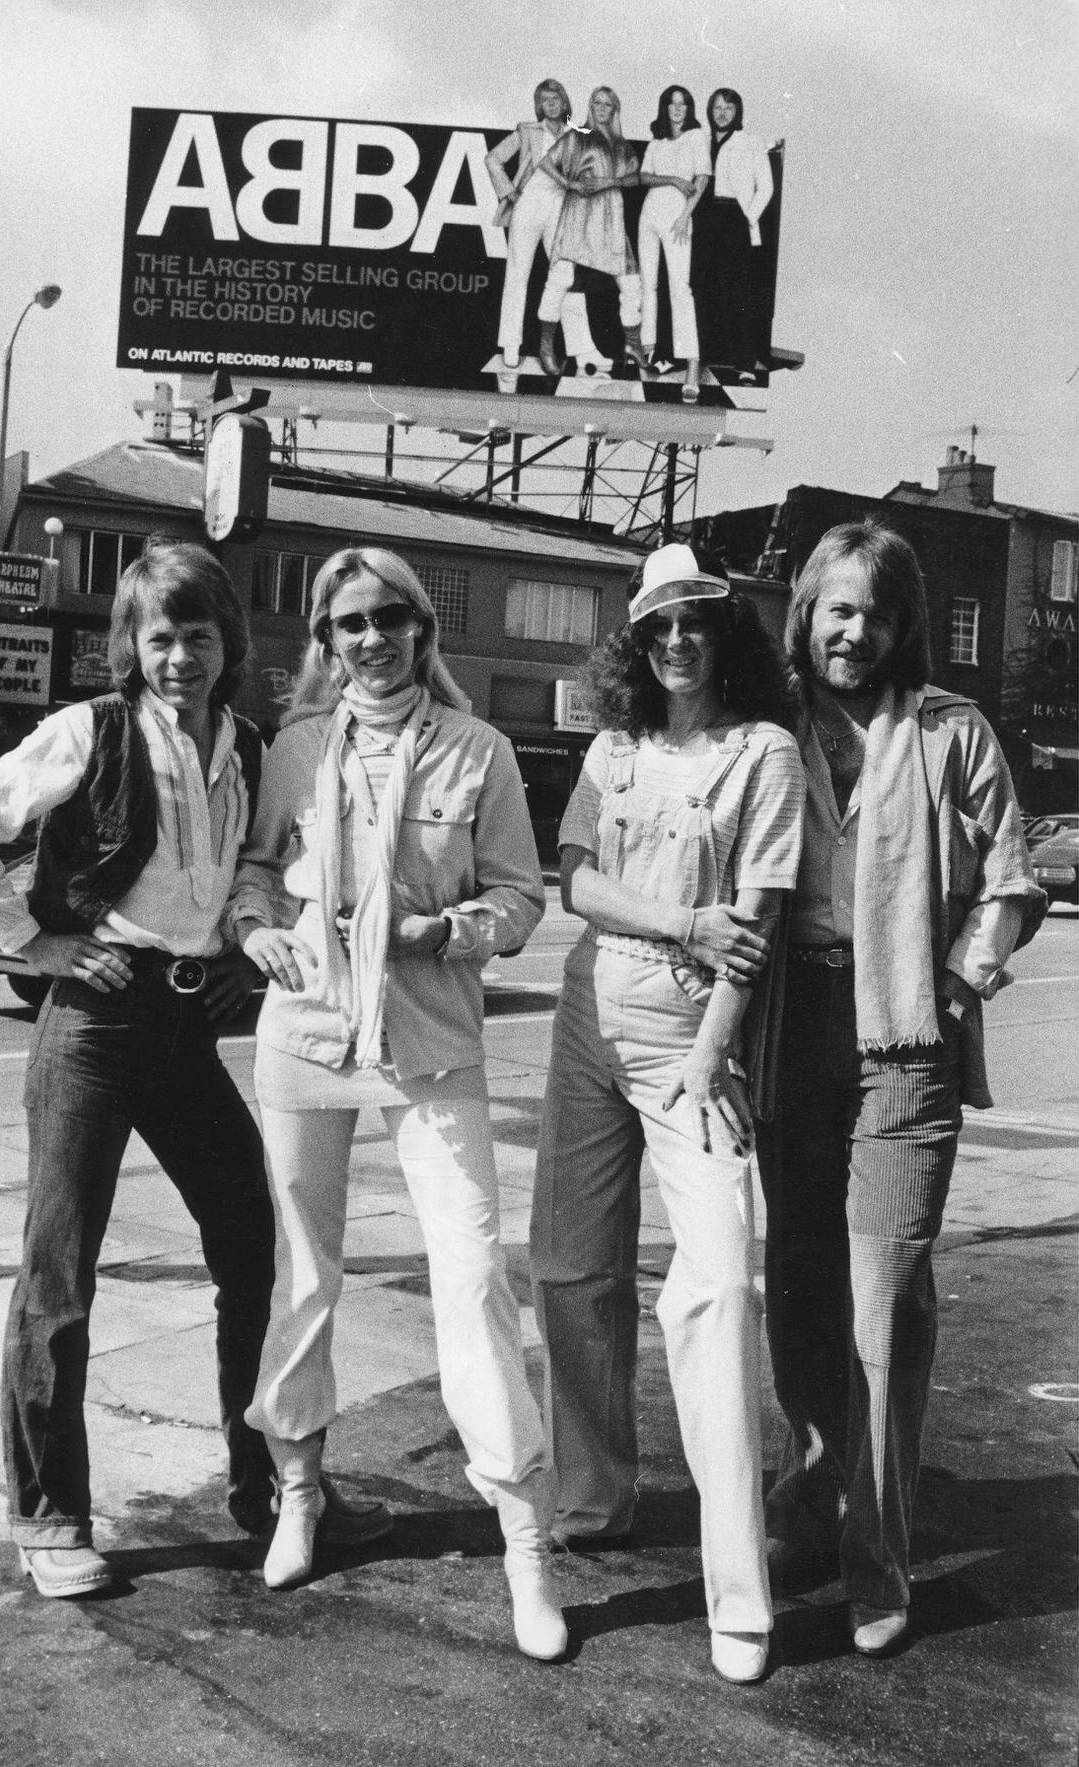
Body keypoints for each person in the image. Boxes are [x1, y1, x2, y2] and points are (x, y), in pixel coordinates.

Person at [0, 538, 383, 1599]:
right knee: (61, 1273)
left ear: (229, 644)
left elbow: (249, 882)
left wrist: (232, 956)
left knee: (251, 1248)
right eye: (158, 638)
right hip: (93, 1024)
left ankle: (264, 1487)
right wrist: (30, 945)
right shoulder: (90, 730)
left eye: (198, 637)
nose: (178, 656)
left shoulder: (250, 746)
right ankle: (50, 1517)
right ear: (131, 644)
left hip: (185, 1031)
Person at [228, 546, 567, 1661]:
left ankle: (525, 1541)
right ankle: (299, 1495)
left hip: (427, 1041)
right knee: (303, 1272)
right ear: (323, 644)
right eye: (346, 625)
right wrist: (255, 925)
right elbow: (257, 870)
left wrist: (446, 932)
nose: (369, 640)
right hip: (308, 1034)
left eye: (388, 619)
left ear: (422, 630)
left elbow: (520, 897)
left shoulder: (482, 752)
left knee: (471, 1278)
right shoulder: (294, 750)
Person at [756, 519, 1045, 1657]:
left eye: (873, 610)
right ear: (805, 613)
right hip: (790, 1038)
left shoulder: (947, 731)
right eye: (835, 607)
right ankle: (807, 1500)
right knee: (798, 1283)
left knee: (883, 1299)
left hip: (904, 1047)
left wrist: (965, 978)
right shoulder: (767, 724)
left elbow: (1009, 880)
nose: (853, 629)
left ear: (900, 623)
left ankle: (876, 1557)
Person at [530, 542, 805, 1685]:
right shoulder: (613, 747)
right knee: (568, 1266)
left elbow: (754, 927)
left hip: (688, 1044)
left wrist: (710, 1053)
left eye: (694, 621)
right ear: (634, 646)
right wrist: (677, 921)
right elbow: (574, 882)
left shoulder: (764, 753)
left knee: (715, 1287)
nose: (677, 642)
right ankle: (592, 1500)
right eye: (656, 629)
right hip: (585, 1023)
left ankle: (735, 1589)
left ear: (724, 631)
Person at [484, 78, 603, 374]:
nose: (550, 104)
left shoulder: (576, 134)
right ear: (538, 105)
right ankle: (511, 345)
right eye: (544, 99)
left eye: (555, 98)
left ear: (564, 103)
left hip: (560, 206)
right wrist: (508, 191)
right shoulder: (527, 131)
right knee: (517, 273)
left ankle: (581, 348)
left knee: (566, 275)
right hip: (528, 204)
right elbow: (493, 159)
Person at [532, 86, 642, 379]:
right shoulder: (577, 135)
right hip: (579, 212)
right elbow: (544, 163)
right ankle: (545, 348)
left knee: (631, 281)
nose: (601, 108)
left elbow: (634, 178)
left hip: (610, 215)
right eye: (596, 102)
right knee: (562, 278)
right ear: (590, 106)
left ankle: (632, 345)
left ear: (614, 109)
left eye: (607, 104)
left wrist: (607, 183)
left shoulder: (622, 144)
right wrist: (569, 183)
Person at [692, 89, 775, 382]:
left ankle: (744, 364)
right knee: (701, 287)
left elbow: (766, 187)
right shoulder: (700, 139)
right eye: (717, 107)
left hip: (734, 218)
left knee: (737, 292)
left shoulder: (749, 142)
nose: (722, 112)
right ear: (709, 110)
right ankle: (703, 356)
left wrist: (747, 217)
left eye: (728, 107)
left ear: (737, 112)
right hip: (703, 219)